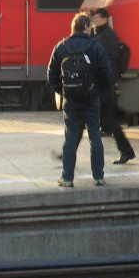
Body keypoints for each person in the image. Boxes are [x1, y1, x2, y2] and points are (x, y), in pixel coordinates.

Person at [47, 12, 113, 187]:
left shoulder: (61, 47)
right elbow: (107, 74)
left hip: (71, 100)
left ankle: (67, 178)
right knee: (95, 136)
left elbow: (51, 75)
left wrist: (63, 91)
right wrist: (96, 90)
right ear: (86, 27)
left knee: (70, 136)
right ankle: (98, 177)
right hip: (91, 99)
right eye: (90, 27)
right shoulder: (96, 47)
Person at [91, 7, 136, 165]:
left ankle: (126, 151)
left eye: (97, 17)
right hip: (101, 85)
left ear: (105, 19)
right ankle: (126, 151)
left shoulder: (107, 36)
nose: (94, 19)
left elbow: (109, 61)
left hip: (103, 86)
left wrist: (104, 80)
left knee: (107, 121)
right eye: (93, 17)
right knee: (104, 121)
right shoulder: (98, 34)